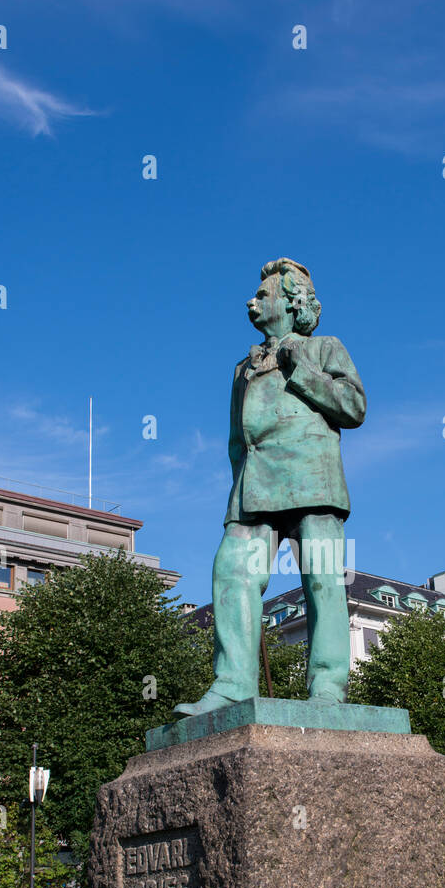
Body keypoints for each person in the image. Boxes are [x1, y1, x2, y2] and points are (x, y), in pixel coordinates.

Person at [174, 258, 366, 716]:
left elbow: (353, 407)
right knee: (231, 573)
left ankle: (327, 689)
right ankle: (233, 684)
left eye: (263, 295)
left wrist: (301, 369)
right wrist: (239, 483)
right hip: (254, 488)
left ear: (292, 301)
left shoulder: (324, 348)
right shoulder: (242, 367)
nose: (252, 300)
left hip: (313, 483)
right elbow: (235, 440)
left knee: (322, 582)